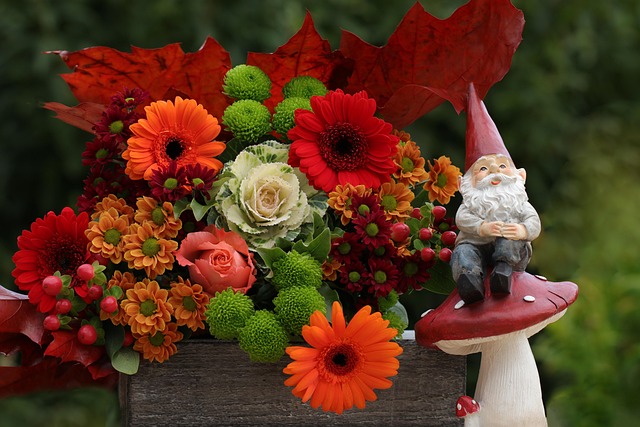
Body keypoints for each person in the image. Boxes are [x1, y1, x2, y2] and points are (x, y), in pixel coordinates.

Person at [451, 84, 541, 305]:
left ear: (520, 175)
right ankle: (469, 279)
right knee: (463, 252)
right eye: (483, 169)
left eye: (502, 166)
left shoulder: (518, 202)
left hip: (510, 251)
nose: (495, 172)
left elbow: (533, 222)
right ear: (464, 184)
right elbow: (462, 219)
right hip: (475, 244)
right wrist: (482, 228)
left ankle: (504, 271)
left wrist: (522, 230)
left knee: (510, 240)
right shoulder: (472, 202)